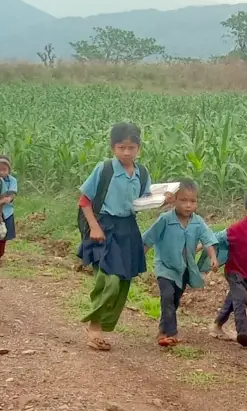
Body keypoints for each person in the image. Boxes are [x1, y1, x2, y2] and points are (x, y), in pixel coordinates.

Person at [77, 123, 152, 351]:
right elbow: (84, 200)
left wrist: (164, 200)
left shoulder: (142, 173)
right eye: (121, 147)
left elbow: (143, 202)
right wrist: (94, 227)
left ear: (138, 148)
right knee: (109, 280)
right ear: (113, 147)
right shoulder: (105, 169)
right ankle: (94, 325)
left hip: (128, 229)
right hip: (104, 227)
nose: (126, 152)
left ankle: (101, 327)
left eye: (131, 147)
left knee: (123, 283)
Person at [142, 180, 218, 347]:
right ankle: (171, 333)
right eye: (183, 200)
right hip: (165, 267)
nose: (188, 205)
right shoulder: (165, 219)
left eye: (193, 201)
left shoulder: (198, 222)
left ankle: (162, 331)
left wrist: (213, 257)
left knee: (174, 300)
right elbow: (149, 239)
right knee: (167, 297)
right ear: (174, 200)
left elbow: (208, 240)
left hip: (184, 269)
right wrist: (139, 258)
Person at [209, 193, 247, 347]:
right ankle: (243, 333)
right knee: (241, 298)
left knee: (233, 299)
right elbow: (216, 238)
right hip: (234, 271)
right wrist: (199, 248)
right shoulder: (237, 229)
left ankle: (217, 325)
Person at [0, 156, 18, 264]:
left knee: (3, 236)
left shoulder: (12, 180)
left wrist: (8, 198)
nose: (2, 172)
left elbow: (12, 194)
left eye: (4, 169)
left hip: (7, 212)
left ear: (9, 170)